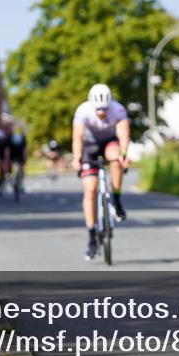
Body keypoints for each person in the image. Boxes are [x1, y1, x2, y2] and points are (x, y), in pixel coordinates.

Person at [72, 84, 132, 260]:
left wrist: (124, 155)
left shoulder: (118, 109)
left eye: (105, 109)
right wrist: (76, 159)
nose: (102, 113)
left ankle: (117, 199)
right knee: (90, 189)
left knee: (115, 159)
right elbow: (77, 137)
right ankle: (91, 238)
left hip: (108, 142)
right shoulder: (83, 111)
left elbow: (123, 135)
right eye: (98, 110)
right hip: (89, 146)